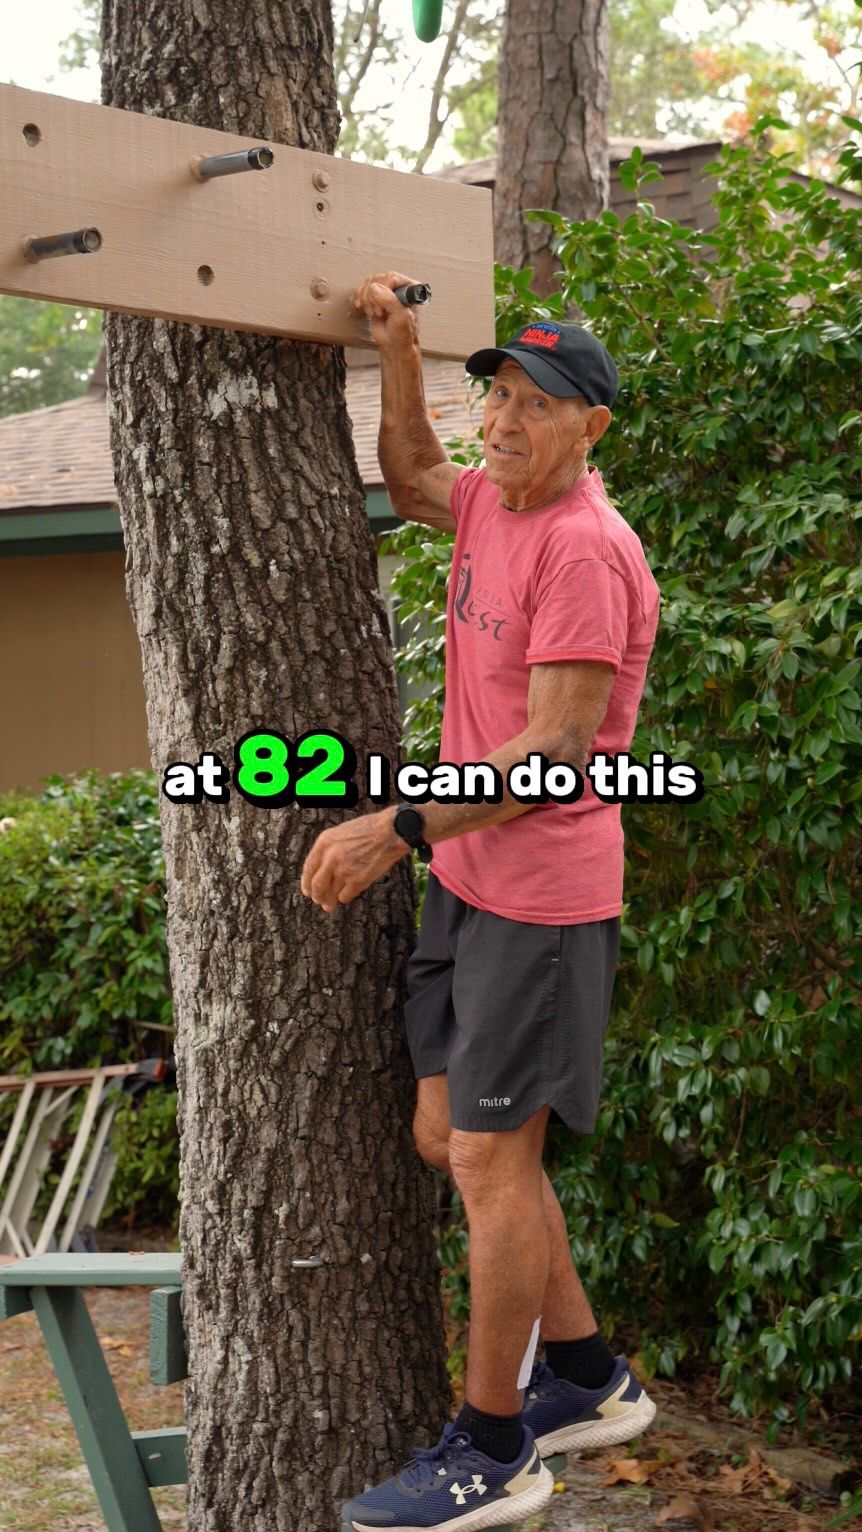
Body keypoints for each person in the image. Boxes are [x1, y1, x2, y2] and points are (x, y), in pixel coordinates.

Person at [301, 271, 661, 1532]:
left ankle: (495, 1441)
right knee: (444, 1133)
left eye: (536, 403)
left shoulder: (583, 548)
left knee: (492, 1159)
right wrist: (399, 348)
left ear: (589, 426)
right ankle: (585, 1369)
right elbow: (411, 475)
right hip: (469, 875)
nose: (503, 420)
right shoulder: (489, 503)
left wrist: (396, 826)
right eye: (497, 393)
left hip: (540, 897)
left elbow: (554, 752)